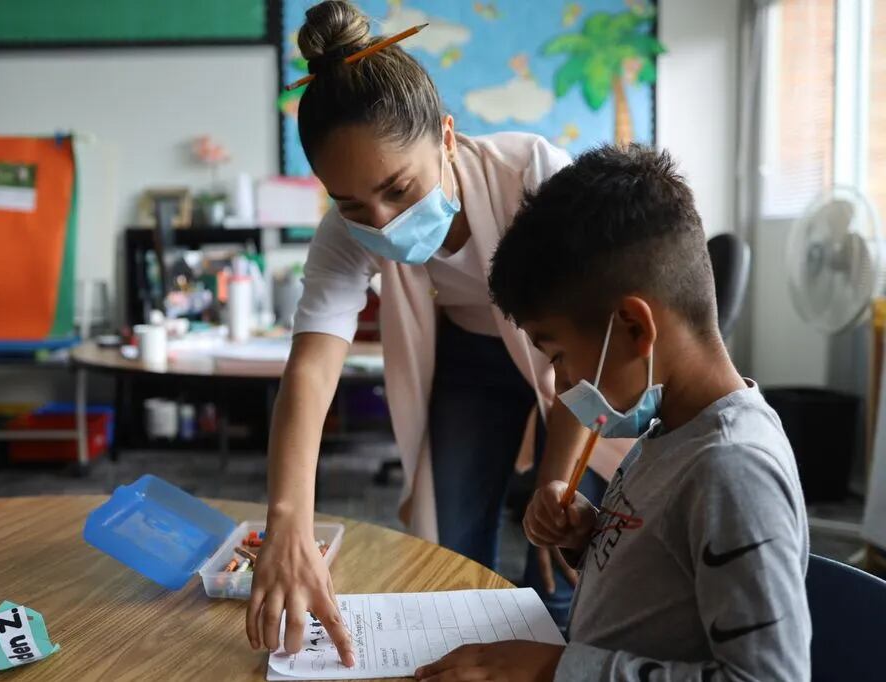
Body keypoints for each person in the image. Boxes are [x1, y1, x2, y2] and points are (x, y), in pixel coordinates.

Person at [246, 0, 626, 663]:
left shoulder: (535, 178)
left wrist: (557, 480)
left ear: (447, 136)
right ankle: (462, 648)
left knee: (565, 533)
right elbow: (310, 368)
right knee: (452, 532)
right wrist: (287, 521)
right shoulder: (345, 232)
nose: (384, 221)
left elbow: (590, 352)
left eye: (398, 189)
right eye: (353, 204)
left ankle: (567, 654)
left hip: (570, 357)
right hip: (468, 357)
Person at [416, 145, 811, 681]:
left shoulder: (733, 469)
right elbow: (666, 587)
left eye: (557, 356)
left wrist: (554, 668)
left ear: (633, 326)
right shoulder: (670, 429)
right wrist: (587, 537)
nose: (560, 384)